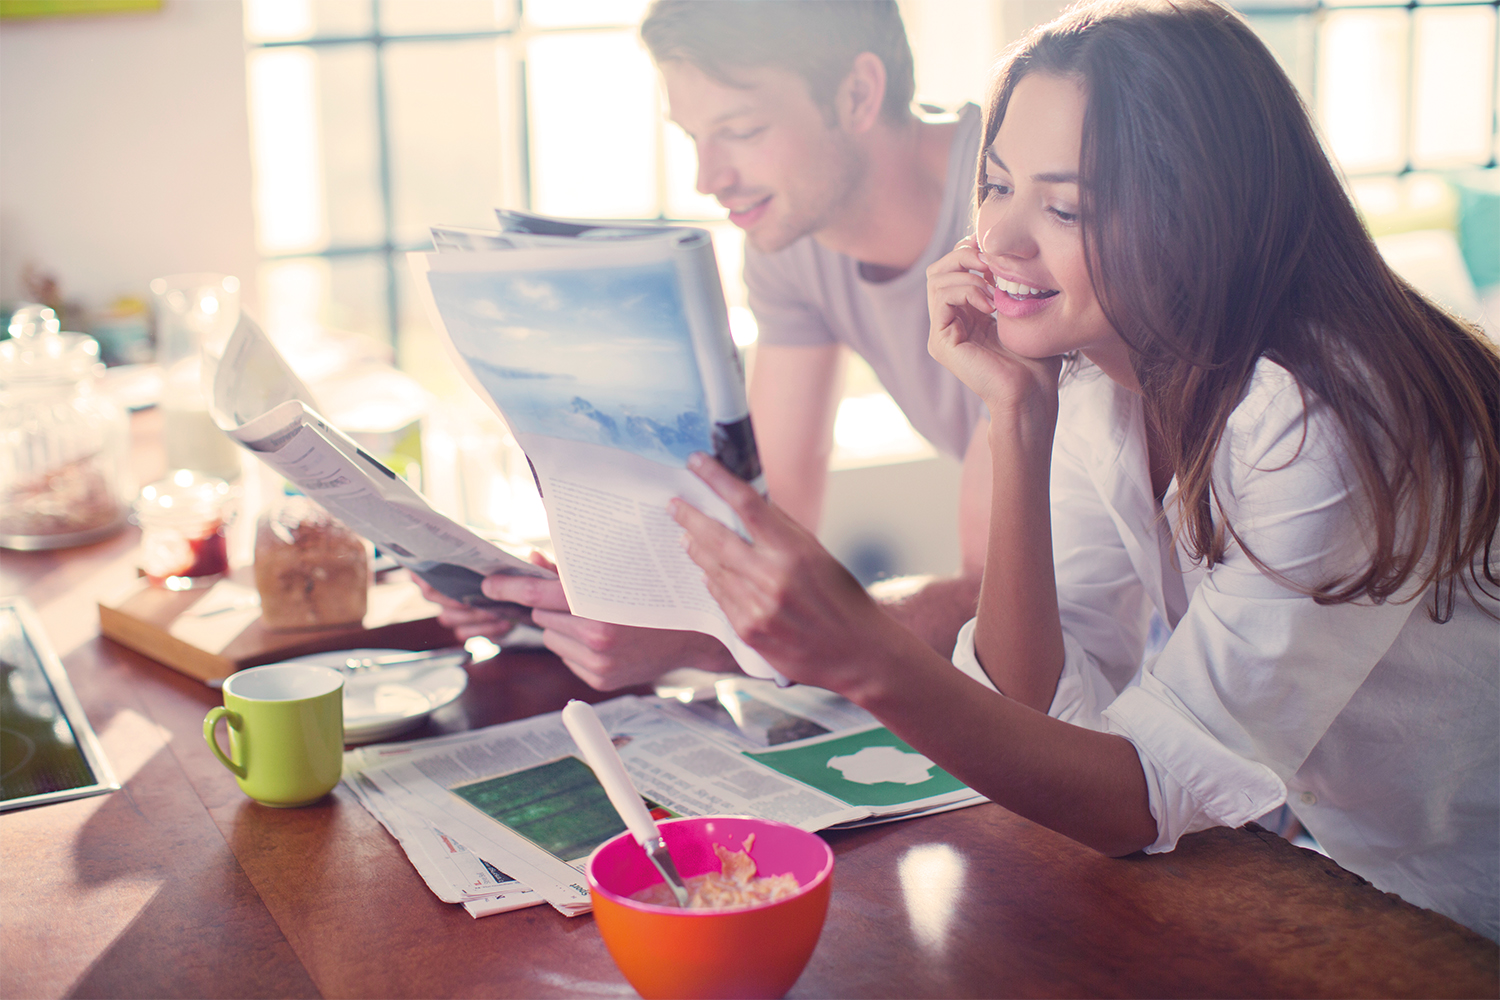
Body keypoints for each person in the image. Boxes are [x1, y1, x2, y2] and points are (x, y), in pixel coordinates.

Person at [670, 0, 1500, 940]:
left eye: (1064, 207)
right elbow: (1039, 706)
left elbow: (1135, 801)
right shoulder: (1100, 375)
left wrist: (871, 660)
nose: (1004, 240)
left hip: (1470, 894)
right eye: (995, 186)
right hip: (1359, 873)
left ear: (1197, 213)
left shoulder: (1314, 418)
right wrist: (1016, 418)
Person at [426, 0, 993, 688]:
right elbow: (762, 521)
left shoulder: (1018, 206)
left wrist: (710, 646)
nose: (709, 178)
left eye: (742, 130)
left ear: (858, 93)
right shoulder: (789, 241)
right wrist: (552, 598)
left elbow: (991, 599)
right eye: (694, 136)